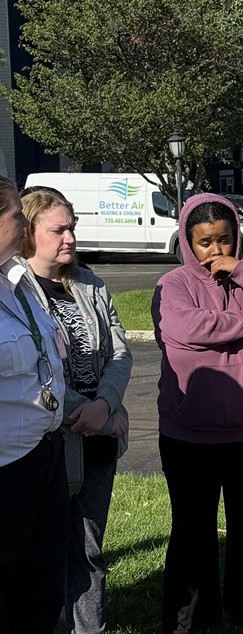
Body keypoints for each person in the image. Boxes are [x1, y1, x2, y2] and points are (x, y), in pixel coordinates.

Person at [151, 193, 243, 632]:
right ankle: (192, 619)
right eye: (205, 242)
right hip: (190, 434)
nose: (217, 251)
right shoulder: (173, 285)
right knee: (192, 532)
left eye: (225, 240)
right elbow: (183, 330)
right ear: (188, 243)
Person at [20, 187, 132, 634]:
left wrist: (105, 404)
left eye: (73, 228)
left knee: (88, 548)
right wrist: (86, 412)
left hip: (98, 438)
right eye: (58, 229)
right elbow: (31, 370)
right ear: (28, 233)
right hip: (48, 442)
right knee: (43, 551)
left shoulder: (90, 283)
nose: (70, 237)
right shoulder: (15, 293)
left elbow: (120, 352)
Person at [0, 175, 68, 633]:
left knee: (41, 590)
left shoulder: (18, 279)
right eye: (13, 213)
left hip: (43, 457)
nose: (23, 221)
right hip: (4, 474)